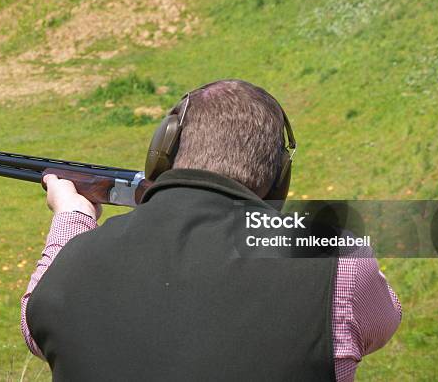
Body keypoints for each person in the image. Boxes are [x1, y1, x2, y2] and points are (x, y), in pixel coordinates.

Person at [21, 79, 402, 381]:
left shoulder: (78, 259)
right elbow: (383, 321)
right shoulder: (333, 255)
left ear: (162, 154)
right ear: (280, 181)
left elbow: (35, 327)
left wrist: (72, 217)